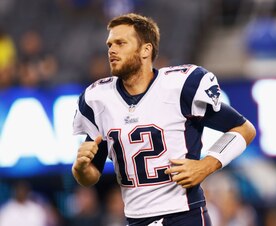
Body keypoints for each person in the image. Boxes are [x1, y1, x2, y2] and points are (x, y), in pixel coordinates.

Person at [72, 13, 256, 226]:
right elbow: (90, 176)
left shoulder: (179, 87)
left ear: (146, 50)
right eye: (110, 44)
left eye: (121, 43)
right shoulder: (99, 99)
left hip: (185, 215)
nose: (112, 50)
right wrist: (80, 168)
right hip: (136, 219)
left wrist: (206, 165)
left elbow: (244, 129)